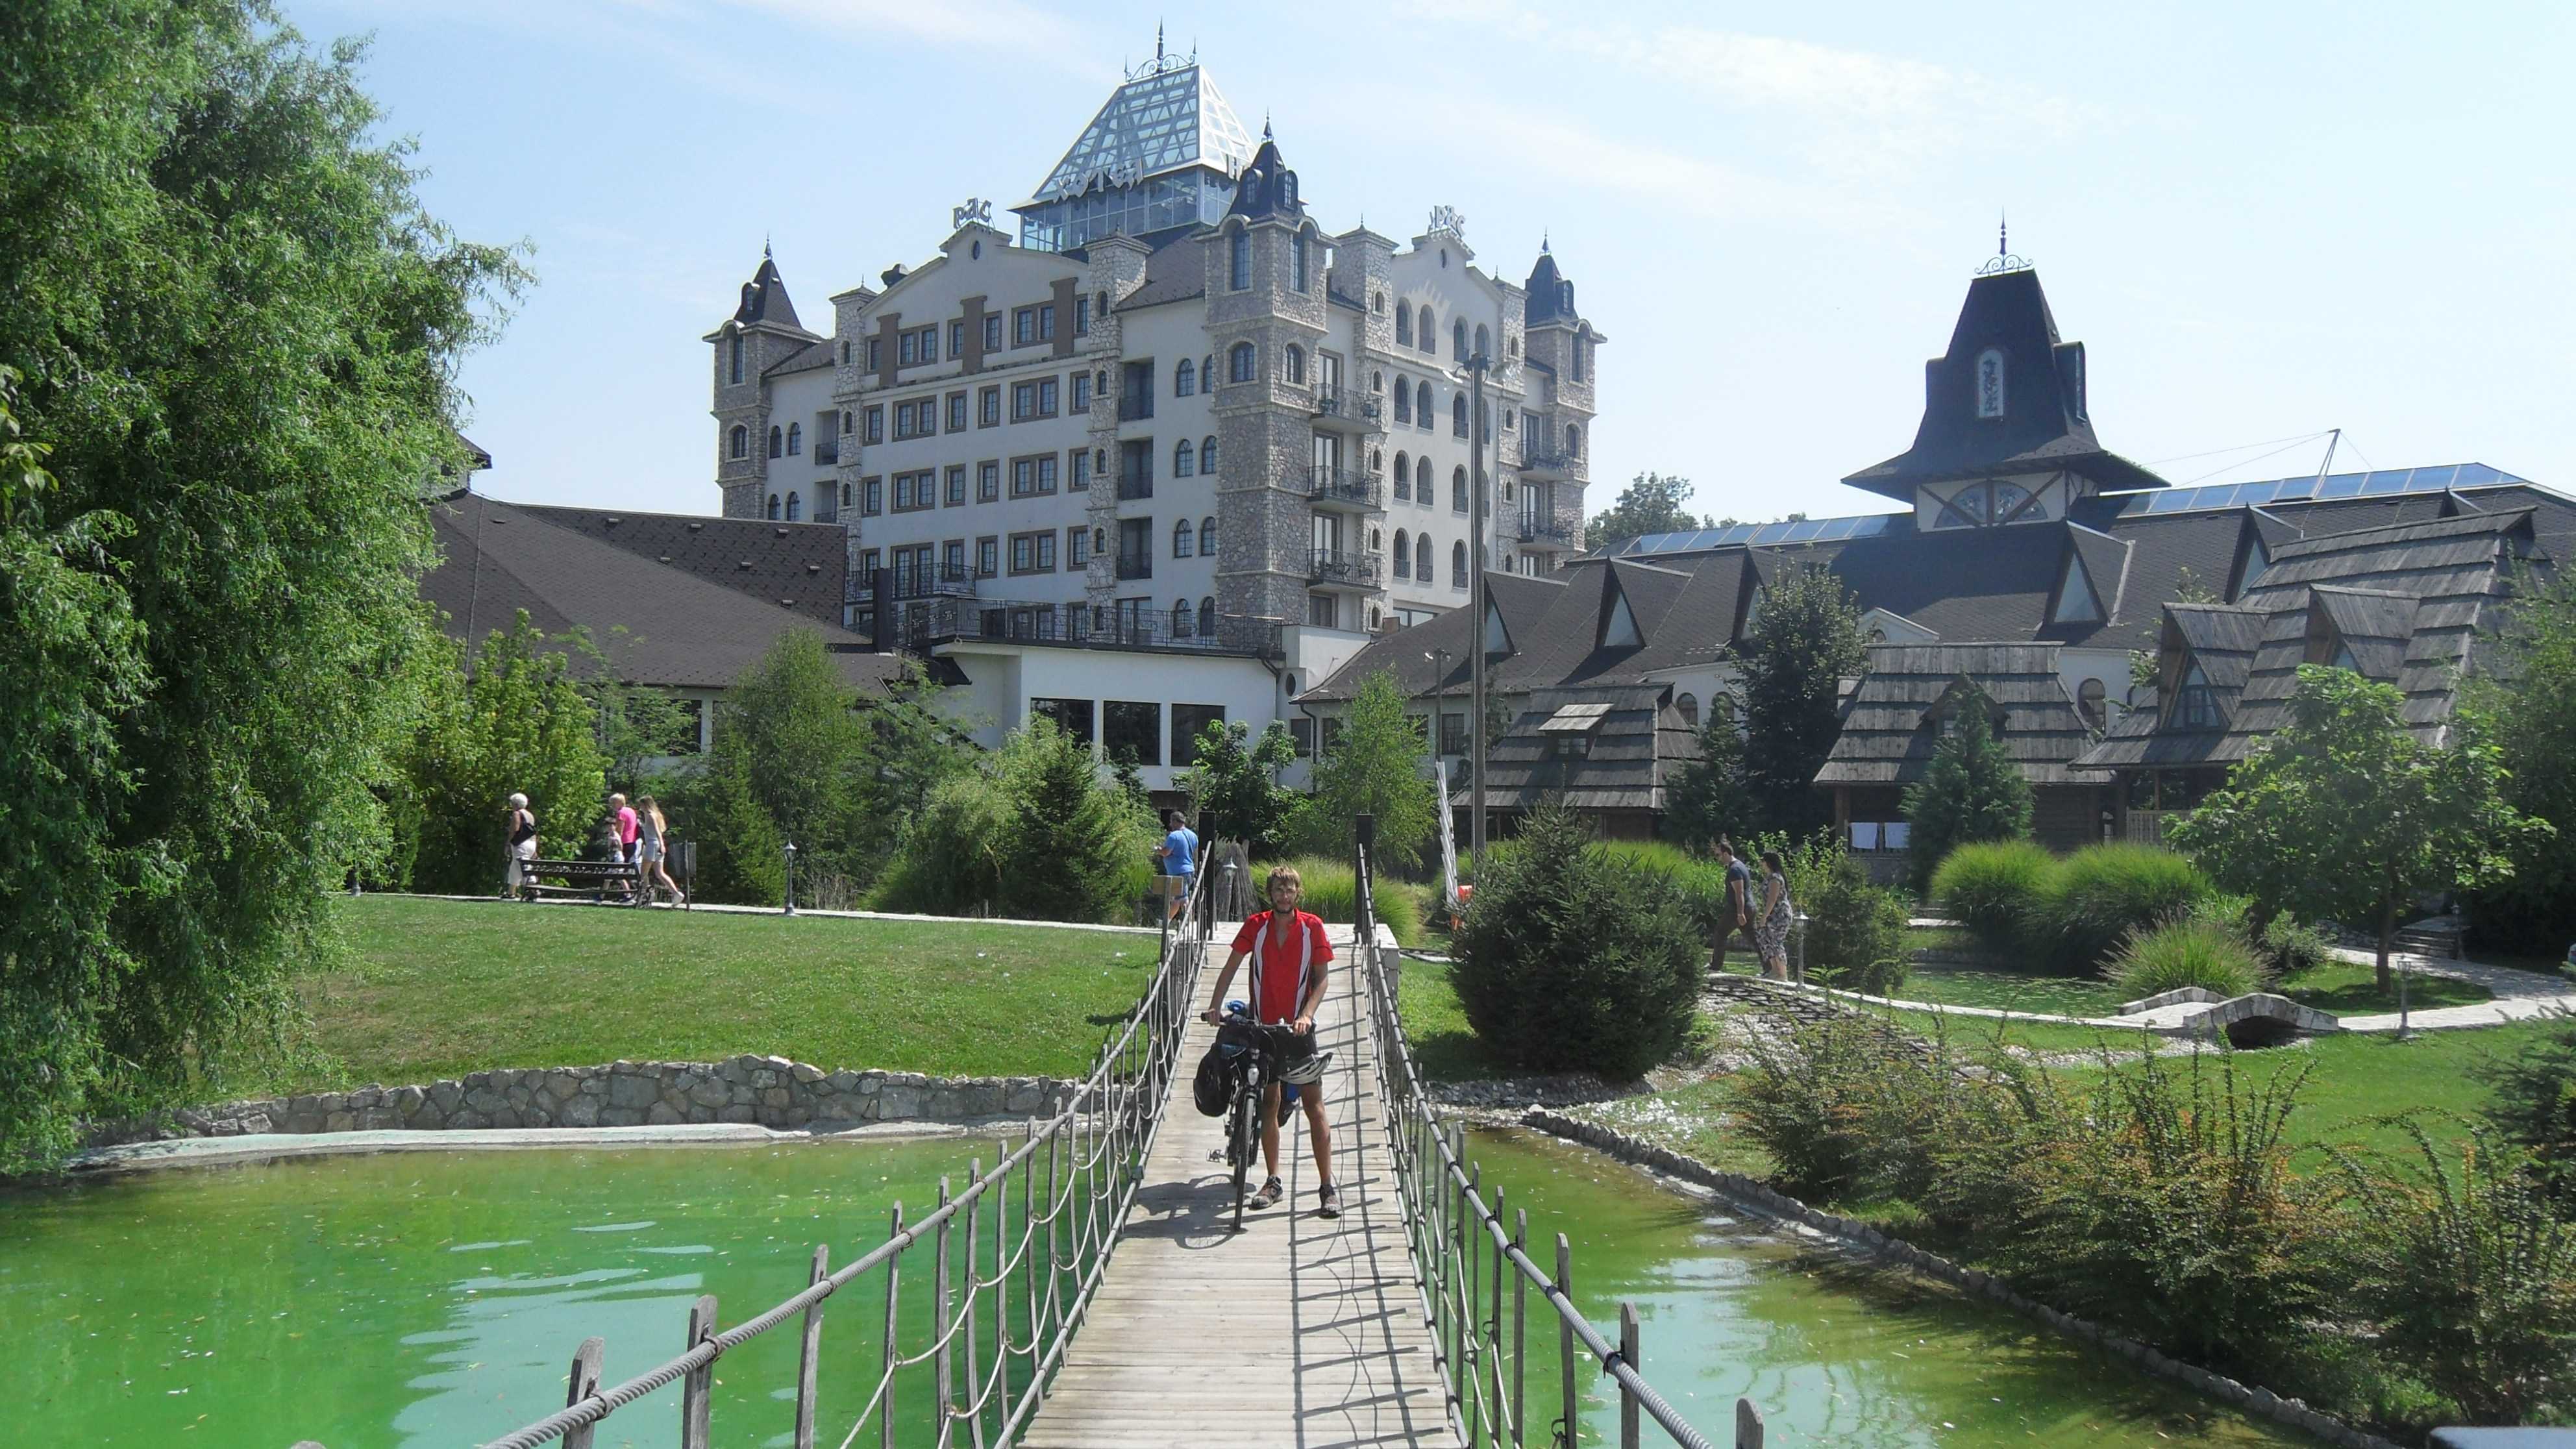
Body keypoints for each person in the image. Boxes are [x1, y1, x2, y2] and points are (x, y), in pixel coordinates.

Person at [1199, 867, 1339, 1219]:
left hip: (1297, 1030)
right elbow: (1231, 966)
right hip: (1262, 1027)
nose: (1284, 895)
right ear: (1270, 893)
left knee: (1314, 1106)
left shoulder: (1312, 928)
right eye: (1278, 890)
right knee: (1269, 1102)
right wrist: (1215, 1006)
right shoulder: (1256, 926)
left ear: (1298, 893)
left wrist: (1307, 1014)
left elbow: (1322, 978)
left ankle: (1327, 1187)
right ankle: (1272, 1182)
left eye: (1289, 890)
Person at [1707, 837, 1759, 974]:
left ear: (1726, 853)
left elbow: (1739, 892)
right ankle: (1769, 966)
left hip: (1738, 908)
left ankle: (1715, 967)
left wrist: (1740, 913)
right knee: (1753, 938)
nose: (1718, 859)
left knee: (1721, 932)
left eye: (1718, 855)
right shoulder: (1740, 865)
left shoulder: (1734, 870)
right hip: (1750, 906)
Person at [1754, 850, 1796, 982]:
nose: (1761, 864)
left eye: (1763, 861)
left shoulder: (1776, 878)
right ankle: (1774, 970)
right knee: (1764, 938)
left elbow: (1772, 900)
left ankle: (1782, 973)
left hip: (1780, 915)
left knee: (1776, 941)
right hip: (1772, 914)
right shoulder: (1769, 877)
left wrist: (1764, 917)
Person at [636, 795, 684, 907]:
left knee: (643, 874)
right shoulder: (656, 815)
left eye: (641, 805)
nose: (640, 807)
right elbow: (651, 830)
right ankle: (676, 893)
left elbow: (658, 831)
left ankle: (642, 896)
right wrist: (641, 824)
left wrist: (662, 844)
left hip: (652, 845)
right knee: (659, 873)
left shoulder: (650, 815)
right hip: (656, 845)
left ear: (646, 805)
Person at [1154, 810, 1199, 922]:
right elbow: (1194, 852)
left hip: (1179, 872)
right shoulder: (1193, 835)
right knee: (1178, 898)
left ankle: (1185, 923)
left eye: (1171, 821)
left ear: (1175, 821)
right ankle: (1169, 921)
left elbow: (1166, 852)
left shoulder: (1174, 836)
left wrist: (1158, 850)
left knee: (1182, 899)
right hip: (1190, 870)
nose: (1170, 824)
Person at [504, 793, 538, 897]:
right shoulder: (530, 815)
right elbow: (533, 831)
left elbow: (514, 829)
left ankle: (533, 891)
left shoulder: (517, 814)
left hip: (521, 844)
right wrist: (535, 849)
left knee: (523, 867)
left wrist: (508, 844)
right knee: (515, 867)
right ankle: (511, 892)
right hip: (532, 843)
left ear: (515, 804)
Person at [609, 793, 641, 902]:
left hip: (624, 844)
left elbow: (619, 832)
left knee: (620, 870)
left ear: (620, 802)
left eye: (613, 803)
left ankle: (629, 894)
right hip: (633, 843)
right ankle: (629, 893)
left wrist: (615, 844)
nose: (612, 805)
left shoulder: (621, 813)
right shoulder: (631, 811)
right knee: (626, 870)